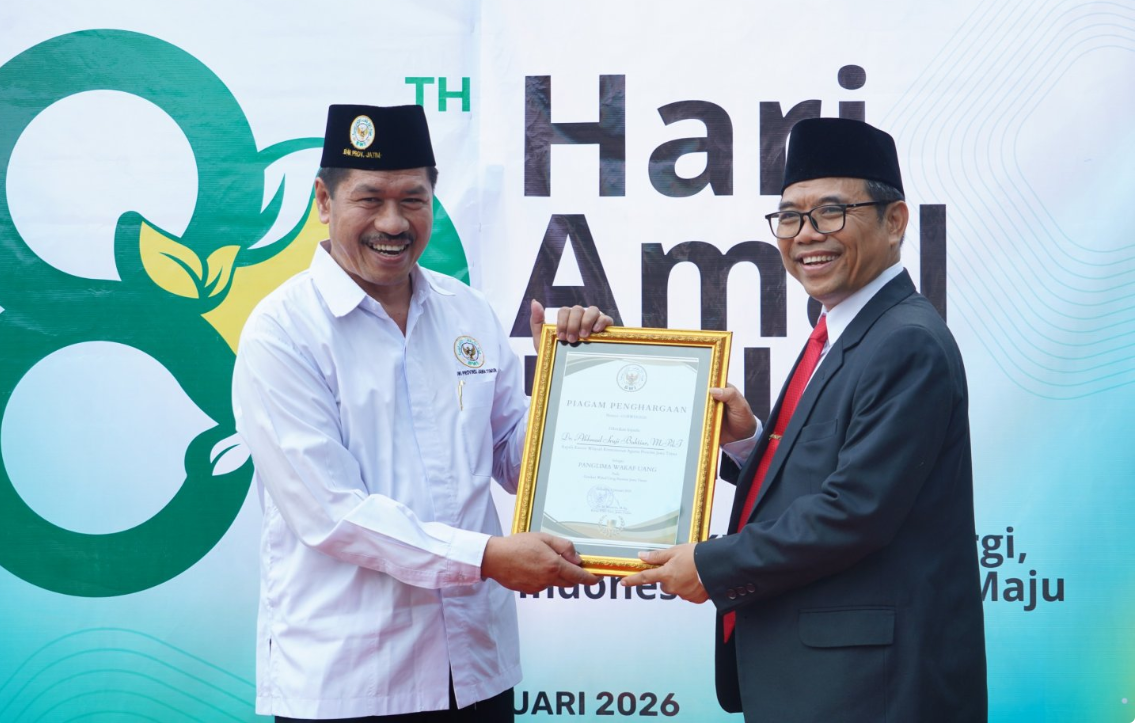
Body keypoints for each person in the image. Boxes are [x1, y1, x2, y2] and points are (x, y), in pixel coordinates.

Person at [233, 104, 610, 722]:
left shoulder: (468, 313)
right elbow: (333, 513)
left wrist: (573, 381)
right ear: (324, 201)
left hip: (476, 671)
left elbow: (516, 461)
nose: (393, 222)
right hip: (353, 684)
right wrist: (487, 558)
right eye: (369, 199)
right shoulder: (283, 332)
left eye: (413, 199)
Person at [621, 117, 988, 721]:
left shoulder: (906, 341)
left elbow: (854, 512)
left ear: (895, 222)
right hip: (819, 680)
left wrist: (710, 567)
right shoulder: (844, 327)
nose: (806, 235)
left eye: (831, 212)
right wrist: (748, 445)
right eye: (790, 217)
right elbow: (831, 472)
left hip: (870, 691)